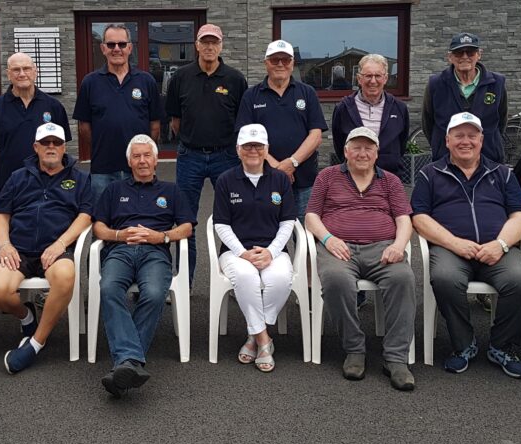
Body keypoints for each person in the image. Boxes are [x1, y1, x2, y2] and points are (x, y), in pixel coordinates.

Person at [411, 112, 521, 379]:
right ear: (447, 140)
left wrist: (500, 244)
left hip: (497, 249)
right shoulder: (430, 174)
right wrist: (455, 244)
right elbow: (419, 217)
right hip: (449, 249)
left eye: (471, 135)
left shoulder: (502, 173)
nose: (465, 141)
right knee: (444, 278)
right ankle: (463, 345)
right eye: (459, 135)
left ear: (481, 139)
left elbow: (520, 215)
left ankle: (501, 346)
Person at [305, 126, 415, 391]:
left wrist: (399, 245)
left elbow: (404, 219)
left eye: (368, 148)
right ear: (345, 151)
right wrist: (328, 239)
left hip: (383, 248)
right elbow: (311, 216)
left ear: (377, 153)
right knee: (335, 279)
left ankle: (396, 358)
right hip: (339, 248)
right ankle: (354, 349)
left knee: (403, 278)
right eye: (356, 147)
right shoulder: (327, 176)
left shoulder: (390, 181)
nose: (362, 153)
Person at [0, 122, 94, 374]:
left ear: (64, 147)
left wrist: (61, 243)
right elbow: (1, 214)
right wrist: (4, 244)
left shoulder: (80, 178)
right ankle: (27, 317)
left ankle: (35, 342)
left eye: (56, 143)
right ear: (36, 147)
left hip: (55, 250)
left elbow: (86, 215)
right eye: (46, 143)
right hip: (19, 249)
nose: (51, 147)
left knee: (66, 276)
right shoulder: (17, 177)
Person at [93, 135, 194, 396]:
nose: (142, 161)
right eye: (136, 156)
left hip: (155, 252)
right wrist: (119, 235)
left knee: (153, 293)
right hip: (120, 251)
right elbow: (98, 226)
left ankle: (125, 362)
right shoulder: (114, 190)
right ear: (129, 161)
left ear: (156, 159)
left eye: (147, 155)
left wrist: (161, 236)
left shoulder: (171, 191)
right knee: (109, 289)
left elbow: (186, 227)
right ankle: (131, 361)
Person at [165, 24, 248, 283]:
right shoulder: (181, 77)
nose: (210, 47)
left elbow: (242, 121)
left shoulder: (235, 79)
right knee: (185, 219)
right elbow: (175, 120)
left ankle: (235, 278)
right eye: (205, 42)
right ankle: (184, 280)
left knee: (234, 216)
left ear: (221, 46)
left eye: (214, 42)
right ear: (197, 45)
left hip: (226, 156)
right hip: (190, 156)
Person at [212, 124, 296, 372]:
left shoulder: (280, 179)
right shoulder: (226, 180)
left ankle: (254, 335)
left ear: (266, 149)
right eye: (247, 146)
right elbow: (221, 224)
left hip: (274, 251)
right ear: (238, 150)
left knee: (281, 278)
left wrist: (271, 251)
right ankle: (264, 339)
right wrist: (243, 253)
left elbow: (288, 221)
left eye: (258, 146)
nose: (253, 150)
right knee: (247, 276)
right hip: (235, 252)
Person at [236, 39, 327, 221]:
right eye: (274, 59)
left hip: (303, 180)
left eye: (285, 60)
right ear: (265, 63)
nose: (280, 64)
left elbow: (316, 135)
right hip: (263, 179)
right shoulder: (251, 96)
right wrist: (277, 168)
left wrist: (291, 163)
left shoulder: (307, 93)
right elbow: (244, 138)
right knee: (268, 233)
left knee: (306, 236)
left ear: (292, 63)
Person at [74, 24, 163, 195]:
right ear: (103, 48)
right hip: (103, 168)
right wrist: (103, 147)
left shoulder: (146, 81)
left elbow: (155, 125)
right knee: (102, 218)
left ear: (129, 48)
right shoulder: (90, 82)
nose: (117, 49)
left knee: (139, 215)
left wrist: (143, 153)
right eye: (111, 44)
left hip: (139, 167)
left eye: (122, 44)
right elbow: (84, 127)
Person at [0, 52, 71, 195]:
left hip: (48, 184)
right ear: (8, 74)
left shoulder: (54, 106)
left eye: (26, 68)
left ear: (35, 72)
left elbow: (62, 146)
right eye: (16, 70)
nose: (22, 74)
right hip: (10, 184)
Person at [422, 32, 507, 163]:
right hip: (446, 161)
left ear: (479, 55)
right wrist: (439, 145)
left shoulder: (497, 83)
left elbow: (501, 120)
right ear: (450, 57)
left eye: (470, 52)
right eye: (458, 53)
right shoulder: (436, 84)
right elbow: (428, 122)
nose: (465, 57)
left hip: (489, 159)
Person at [330, 53, 410, 179]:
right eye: (368, 76)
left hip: (390, 178)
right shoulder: (343, 108)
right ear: (359, 78)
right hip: (354, 180)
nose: (373, 81)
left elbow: (402, 143)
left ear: (385, 78)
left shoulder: (399, 108)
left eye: (378, 75)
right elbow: (339, 145)